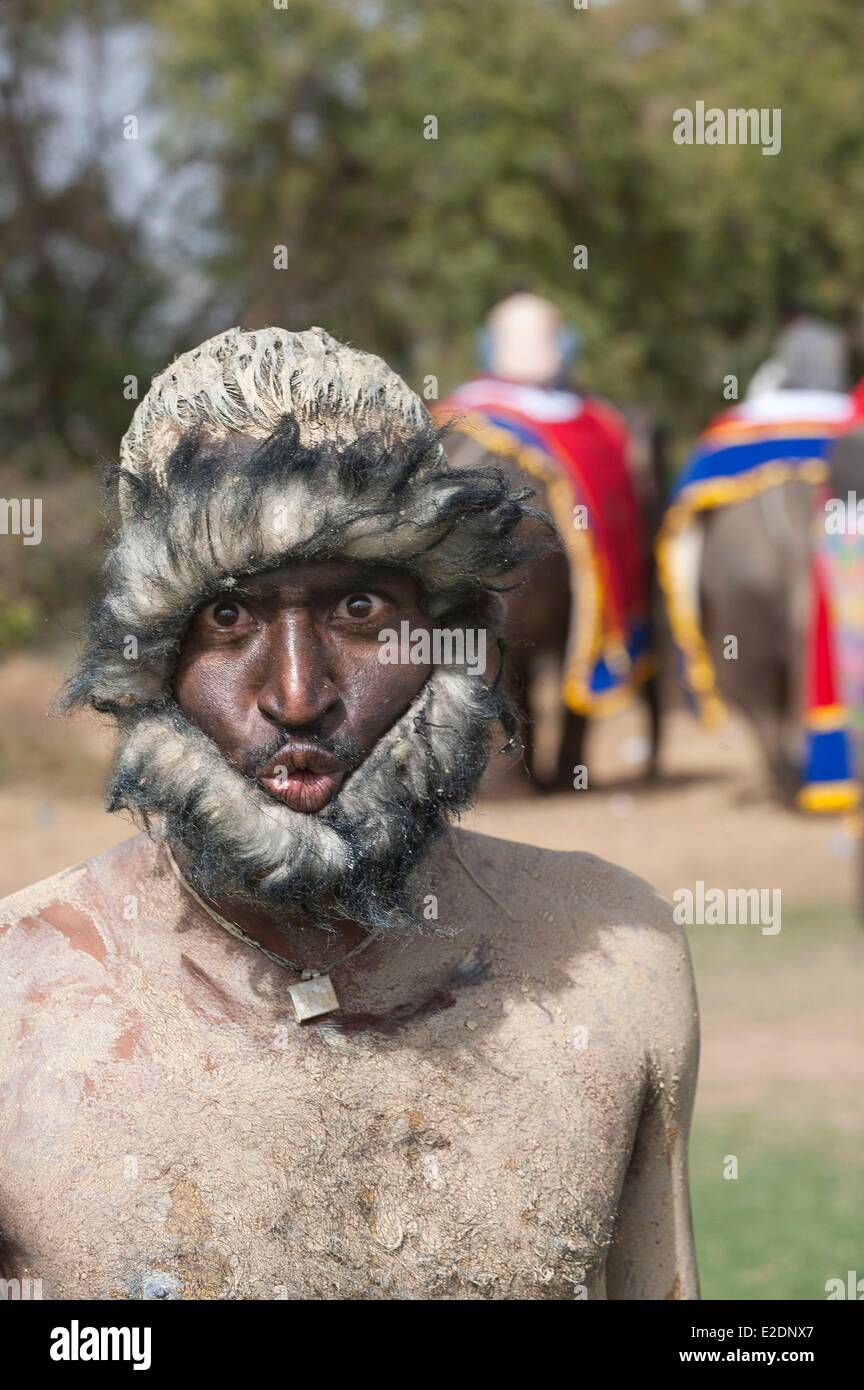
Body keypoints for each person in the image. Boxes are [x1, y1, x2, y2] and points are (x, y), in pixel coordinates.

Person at [0, 326, 699, 1300]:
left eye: (361, 608)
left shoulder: (613, 964)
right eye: (230, 616)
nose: (297, 693)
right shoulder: (19, 1002)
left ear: (448, 634)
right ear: (151, 645)